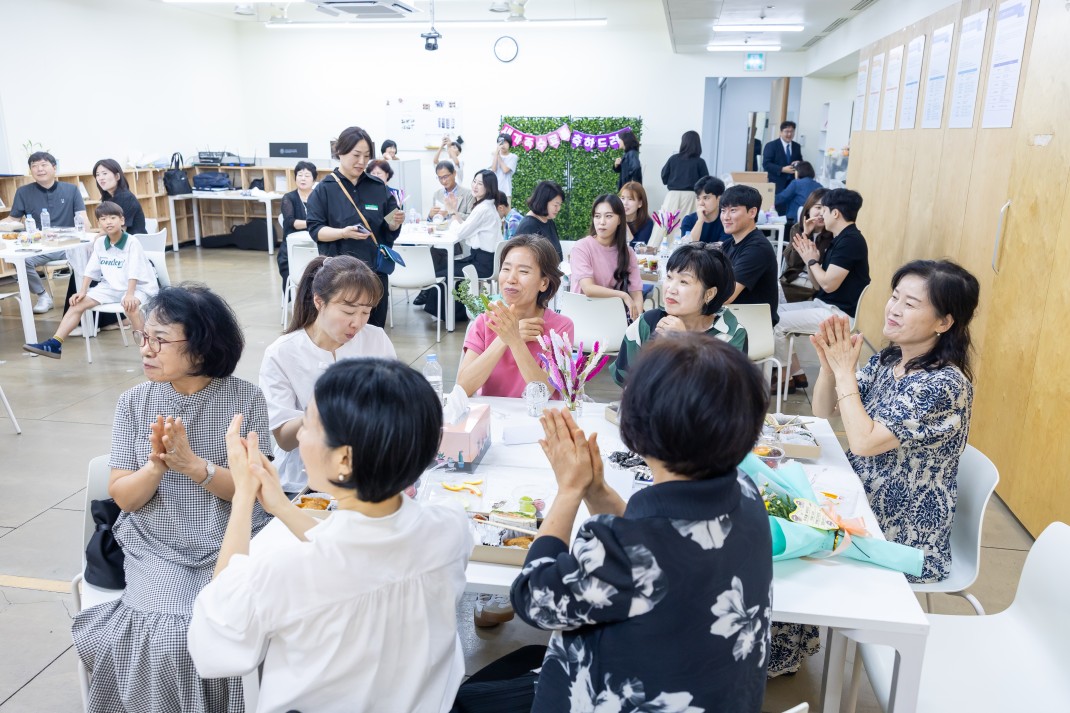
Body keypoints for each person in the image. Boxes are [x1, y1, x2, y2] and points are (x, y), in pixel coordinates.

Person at [452, 334, 773, 712]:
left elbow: (532, 598)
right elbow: (651, 546)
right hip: (707, 692)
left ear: (639, 425)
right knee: (524, 661)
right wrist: (596, 489)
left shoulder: (622, 548)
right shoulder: (746, 493)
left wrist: (569, 491)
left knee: (456, 700)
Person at [188, 359, 471, 713]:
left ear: (344, 460)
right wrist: (282, 507)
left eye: (308, 424)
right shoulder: (451, 528)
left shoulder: (285, 572)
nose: (299, 436)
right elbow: (358, 557)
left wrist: (243, 496)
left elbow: (213, 640)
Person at [769, 261, 981, 679]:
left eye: (911, 304)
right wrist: (830, 367)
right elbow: (823, 411)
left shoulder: (944, 384)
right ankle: (780, 645)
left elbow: (863, 441)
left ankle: (780, 653)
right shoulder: (891, 359)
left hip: (902, 532)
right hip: (863, 499)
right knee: (778, 509)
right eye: (895, 296)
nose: (894, 309)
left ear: (944, 322)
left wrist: (845, 371)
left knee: (791, 533)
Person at [71, 284, 270, 713]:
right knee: (170, 634)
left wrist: (195, 467)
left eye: (160, 339)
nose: (146, 349)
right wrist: (156, 467)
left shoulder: (246, 399)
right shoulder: (134, 402)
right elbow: (124, 498)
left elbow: (254, 491)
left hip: (233, 538)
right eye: (144, 336)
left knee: (233, 626)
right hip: (157, 542)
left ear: (201, 347)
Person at [259, 255, 396, 496]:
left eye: (366, 312)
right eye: (348, 311)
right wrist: (324, 409)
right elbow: (284, 440)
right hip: (303, 480)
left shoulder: (375, 339)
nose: (357, 323)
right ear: (319, 301)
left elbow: (395, 407)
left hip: (368, 471)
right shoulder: (282, 353)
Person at [23, 202, 157, 359]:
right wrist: (82, 291)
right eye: (103, 219)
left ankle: (147, 349)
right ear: (98, 223)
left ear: (122, 220)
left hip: (139, 287)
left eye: (112, 218)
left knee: (131, 307)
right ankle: (55, 344)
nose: (108, 222)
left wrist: (129, 294)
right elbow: (91, 269)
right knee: (77, 303)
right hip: (111, 287)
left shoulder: (132, 242)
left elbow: (134, 271)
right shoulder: (100, 243)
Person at [306, 126, 404, 329]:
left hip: (374, 274)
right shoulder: (324, 189)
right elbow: (316, 230)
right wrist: (343, 233)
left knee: (374, 330)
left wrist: (394, 223)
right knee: (342, 331)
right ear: (340, 152)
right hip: (339, 277)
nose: (361, 161)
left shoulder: (377, 187)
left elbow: (388, 227)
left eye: (366, 156)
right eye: (356, 155)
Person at [774, 188, 870, 391]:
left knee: (776, 321)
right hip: (825, 305)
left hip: (839, 314)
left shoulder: (850, 241)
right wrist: (811, 261)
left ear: (835, 213)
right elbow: (818, 284)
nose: (821, 215)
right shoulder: (839, 239)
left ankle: (785, 376)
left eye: (823, 210)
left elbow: (828, 284)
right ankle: (793, 373)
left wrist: (811, 260)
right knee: (774, 312)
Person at [612, 243, 746, 385]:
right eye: (669, 277)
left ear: (709, 294)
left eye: (684, 282)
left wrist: (684, 343)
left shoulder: (731, 334)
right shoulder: (648, 322)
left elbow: (724, 391)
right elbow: (624, 379)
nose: (671, 289)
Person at [457, 234, 573, 399]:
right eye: (506, 269)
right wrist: (504, 339)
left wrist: (516, 342)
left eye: (523, 271)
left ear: (544, 283)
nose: (511, 279)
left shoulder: (560, 327)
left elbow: (544, 393)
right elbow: (463, 388)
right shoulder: (484, 322)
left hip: (540, 414)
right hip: (493, 414)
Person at [8, 151, 89, 314]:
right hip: (41, 246)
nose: (39, 169)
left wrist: (86, 239)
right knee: (21, 260)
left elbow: (83, 219)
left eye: (44, 165)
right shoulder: (23, 192)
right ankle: (43, 296)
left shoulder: (71, 190)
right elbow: (13, 219)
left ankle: (84, 295)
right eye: (34, 166)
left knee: (86, 256)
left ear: (54, 167)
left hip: (68, 245)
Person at [569, 194, 644, 321]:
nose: (602, 222)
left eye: (608, 216)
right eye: (597, 216)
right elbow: (588, 288)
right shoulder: (582, 247)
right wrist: (623, 295)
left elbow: (636, 292)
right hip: (582, 316)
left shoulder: (628, 252)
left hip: (612, 317)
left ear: (620, 220)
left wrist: (637, 321)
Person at [719, 185, 779, 326]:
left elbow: (727, 295)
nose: (726, 217)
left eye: (733, 210)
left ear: (752, 212)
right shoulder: (727, 245)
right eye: (723, 211)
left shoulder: (757, 248)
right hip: (731, 317)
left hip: (751, 325)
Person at [654, 130, 709, 245]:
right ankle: (682, 251)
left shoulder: (673, 159)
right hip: (691, 196)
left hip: (672, 196)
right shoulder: (700, 162)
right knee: (686, 227)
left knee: (664, 226)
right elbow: (705, 183)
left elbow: (664, 177)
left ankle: (657, 249)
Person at [780, 188, 833, 304]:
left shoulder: (833, 233)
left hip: (815, 286)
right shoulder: (798, 228)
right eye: (818, 207)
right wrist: (806, 234)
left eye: (825, 209)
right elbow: (792, 262)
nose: (821, 213)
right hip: (793, 280)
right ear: (808, 209)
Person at [452, 169, 503, 278]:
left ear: (489, 187)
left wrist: (452, 213)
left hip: (482, 265)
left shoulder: (482, 209)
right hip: (487, 262)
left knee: (444, 269)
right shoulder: (489, 205)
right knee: (447, 267)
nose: (475, 186)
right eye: (474, 181)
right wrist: (454, 211)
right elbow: (467, 227)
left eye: (480, 184)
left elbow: (460, 233)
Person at [277, 160, 317, 289]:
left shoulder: (319, 197)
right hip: (292, 249)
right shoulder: (289, 198)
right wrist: (314, 223)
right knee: (291, 270)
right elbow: (290, 222)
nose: (303, 178)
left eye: (307, 175)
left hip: (316, 245)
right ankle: (293, 297)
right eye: (300, 175)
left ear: (314, 180)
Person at [93, 159, 147, 235]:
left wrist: (98, 237)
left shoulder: (126, 198)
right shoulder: (107, 198)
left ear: (117, 176)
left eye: (104, 173)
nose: (100, 178)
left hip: (133, 240)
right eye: (97, 175)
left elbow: (119, 230)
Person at [514, 180, 564, 261]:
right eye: (555, 205)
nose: (558, 209)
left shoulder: (549, 221)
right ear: (543, 202)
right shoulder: (528, 226)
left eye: (560, 205)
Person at [680, 176, 727, 244]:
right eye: (698, 198)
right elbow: (688, 247)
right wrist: (700, 221)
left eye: (706, 198)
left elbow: (722, 247)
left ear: (719, 199)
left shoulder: (727, 220)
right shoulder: (688, 220)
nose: (701, 203)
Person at [774, 161, 822, 227]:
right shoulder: (819, 186)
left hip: (794, 220)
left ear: (798, 172)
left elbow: (782, 198)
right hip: (812, 220)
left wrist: (768, 199)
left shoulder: (796, 183)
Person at [763, 121, 803, 194]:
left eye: (792, 131)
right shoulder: (771, 145)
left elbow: (801, 162)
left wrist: (799, 163)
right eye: (787, 131)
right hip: (776, 183)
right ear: (781, 132)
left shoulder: (797, 146)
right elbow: (766, 164)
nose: (789, 134)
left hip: (793, 184)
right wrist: (782, 169)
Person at [619, 181, 653, 249]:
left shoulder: (647, 223)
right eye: (622, 198)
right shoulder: (614, 219)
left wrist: (624, 224)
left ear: (640, 203)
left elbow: (639, 248)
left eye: (630, 199)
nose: (625, 203)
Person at [490, 135, 518, 199]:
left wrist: (498, 155)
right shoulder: (493, 154)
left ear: (509, 144)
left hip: (506, 191)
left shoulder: (513, 157)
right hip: (493, 190)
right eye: (501, 142)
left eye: (505, 142)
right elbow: (493, 169)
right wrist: (496, 153)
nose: (503, 145)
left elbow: (505, 170)